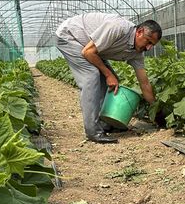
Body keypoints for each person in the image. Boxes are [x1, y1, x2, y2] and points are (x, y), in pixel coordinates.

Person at [55, 13, 162, 143]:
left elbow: (144, 84)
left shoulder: (137, 54)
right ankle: (93, 132)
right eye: (148, 41)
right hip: (70, 36)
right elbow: (87, 52)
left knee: (112, 82)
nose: (149, 47)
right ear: (139, 32)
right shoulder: (118, 28)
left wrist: (157, 112)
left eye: (152, 45)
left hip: (90, 47)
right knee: (91, 76)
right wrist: (108, 74)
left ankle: (105, 124)